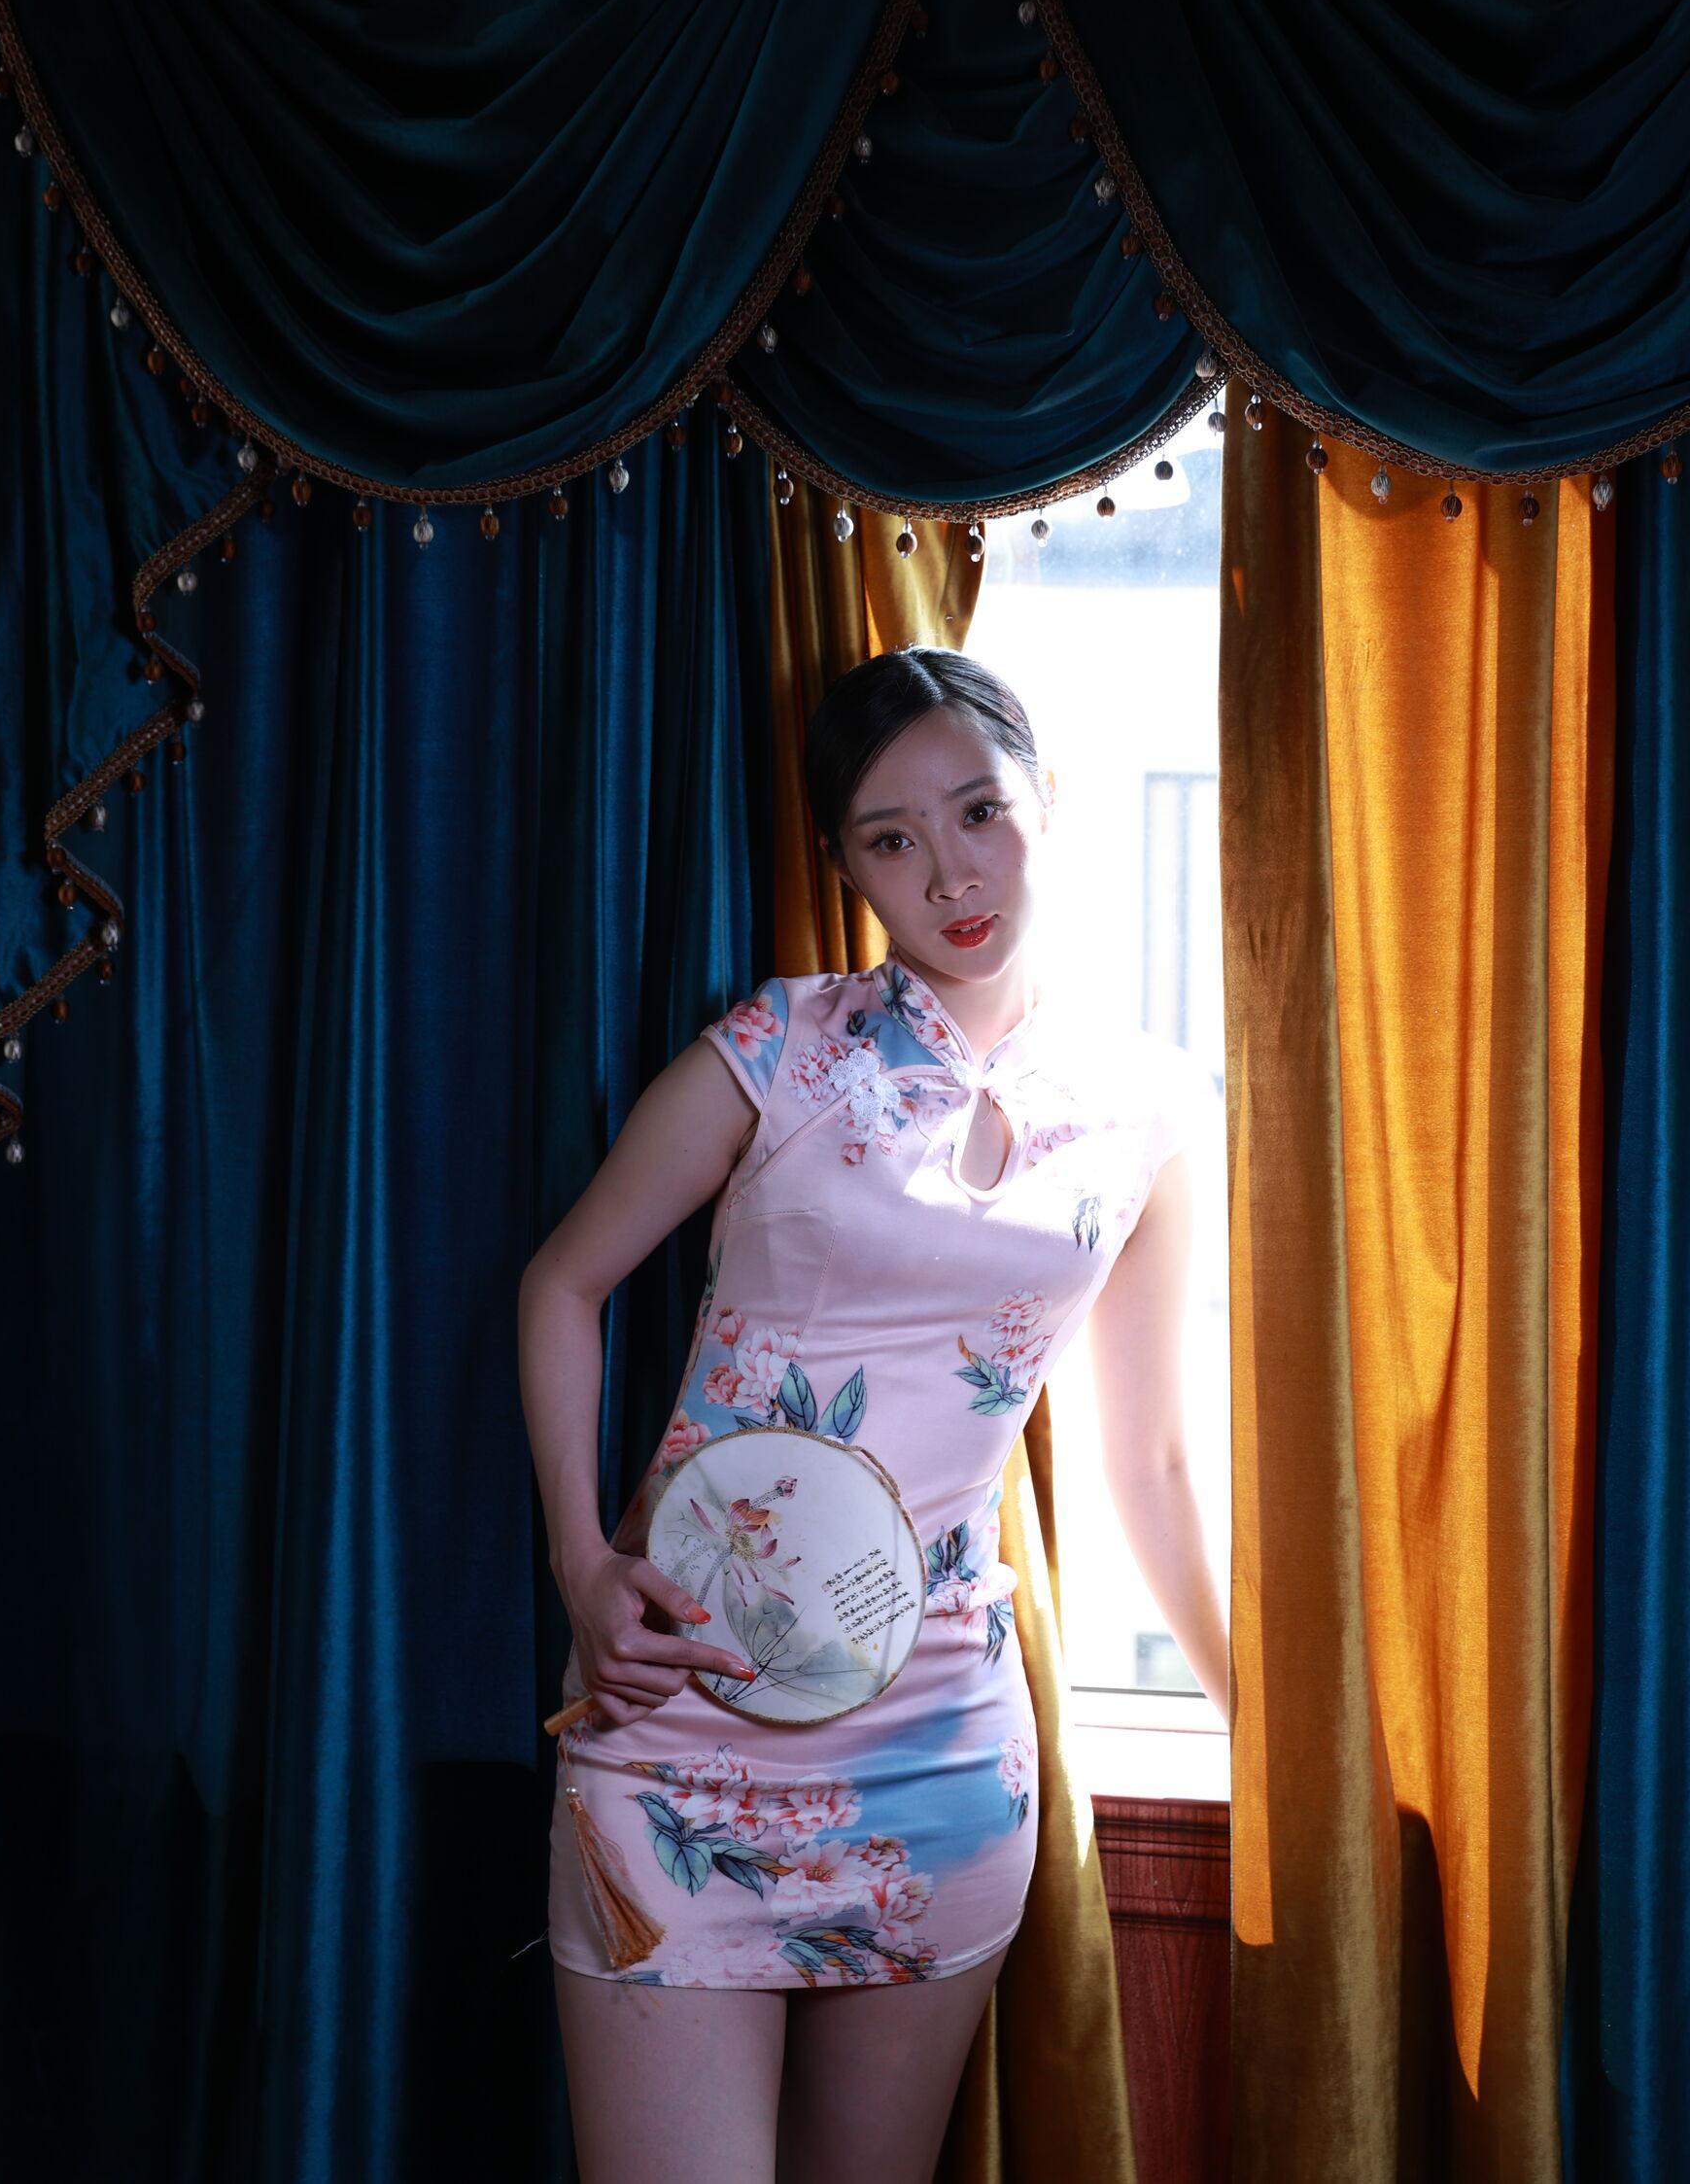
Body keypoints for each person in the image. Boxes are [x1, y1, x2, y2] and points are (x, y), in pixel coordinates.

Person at [517, 643, 1229, 2184]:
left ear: (1047, 800)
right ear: (842, 865)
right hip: (677, 1721)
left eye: (979, 812)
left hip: (942, 1751)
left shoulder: (1150, 1105)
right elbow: (561, 1286)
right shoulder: (776, 1049)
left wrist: (1259, 1721)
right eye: (890, 839)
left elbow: (1155, 1463)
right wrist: (581, 1566)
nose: (950, 874)